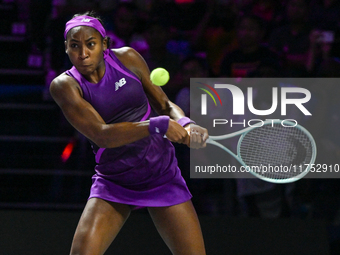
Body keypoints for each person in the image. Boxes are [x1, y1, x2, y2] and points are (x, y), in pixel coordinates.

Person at [49, 11, 208, 255]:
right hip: (114, 182)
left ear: (105, 44)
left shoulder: (128, 58)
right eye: (74, 46)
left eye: (90, 44)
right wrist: (157, 125)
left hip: (161, 174)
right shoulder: (65, 85)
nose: (83, 54)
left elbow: (164, 105)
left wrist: (186, 123)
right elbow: (101, 134)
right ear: (67, 49)